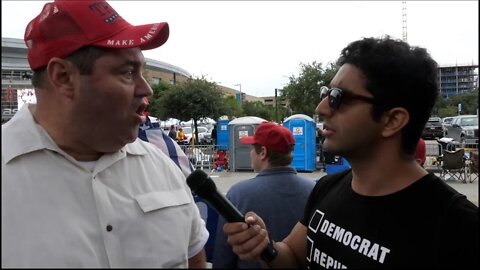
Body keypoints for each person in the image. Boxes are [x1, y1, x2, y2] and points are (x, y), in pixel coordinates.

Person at [221, 36, 478, 268]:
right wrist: (266, 246)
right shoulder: (326, 188)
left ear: (392, 120)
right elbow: (292, 256)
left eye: (339, 97)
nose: (322, 108)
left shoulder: (456, 227)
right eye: (326, 93)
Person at [1, 1, 208, 267]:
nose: (147, 89)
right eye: (128, 72)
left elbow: (194, 259)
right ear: (63, 77)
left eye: (142, 72)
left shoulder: (163, 167)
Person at [212, 121, 315, 268]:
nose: (250, 153)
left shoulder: (238, 194)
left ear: (263, 153)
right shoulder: (314, 190)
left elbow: (224, 255)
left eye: (252, 149)